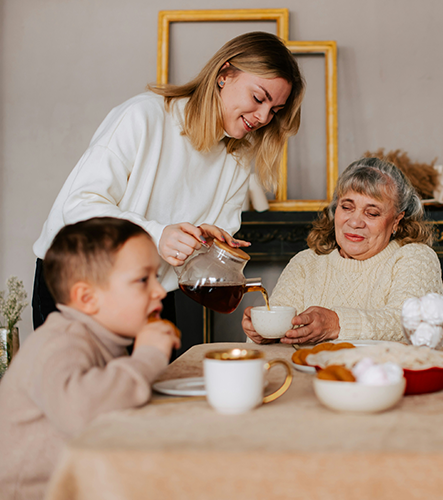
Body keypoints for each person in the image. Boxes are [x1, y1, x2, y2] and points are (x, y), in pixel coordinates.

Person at [31, 31, 305, 348]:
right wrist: (157, 235)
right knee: (84, 395)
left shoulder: (238, 155)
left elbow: (211, 243)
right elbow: (78, 208)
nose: (262, 117)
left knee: (157, 393)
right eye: (259, 98)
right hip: (79, 283)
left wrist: (205, 240)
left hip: (150, 293)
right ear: (224, 75)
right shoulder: (143, 117)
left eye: (275, 110)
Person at [0, 217, 181, 500]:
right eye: (143, 280)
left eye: (156, 278)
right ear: (87, 298)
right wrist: (147, 357)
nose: (159, 291)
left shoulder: (105, 339)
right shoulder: (61, 340)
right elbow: (79, 412)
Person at [242, 157, 443, 344]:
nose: (355, 222)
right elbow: (276, 333)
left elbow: (411, 325)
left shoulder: (415, 257)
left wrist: (338, 323)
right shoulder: (305, 263)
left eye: (371, 213)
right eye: (347, 207)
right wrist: (264, 334)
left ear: (396, 222)